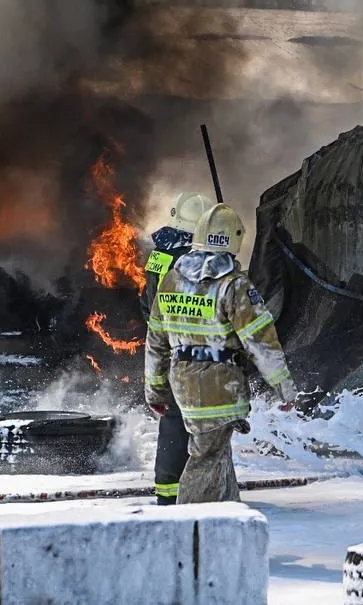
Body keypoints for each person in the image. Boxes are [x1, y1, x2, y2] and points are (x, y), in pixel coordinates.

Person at [144, 202, 298, 503]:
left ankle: (230, 517)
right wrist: (285, 389)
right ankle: (189, 524)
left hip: (182, 382)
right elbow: (261, 341)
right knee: (207, 456)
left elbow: (156, 342)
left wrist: (155, 391)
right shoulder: (234, 284)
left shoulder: (171, 280)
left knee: (216, 452)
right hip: (218, 386)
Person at [142, 190, 212, 506]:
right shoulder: (202, 261)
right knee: (205, 423)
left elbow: (148, 302)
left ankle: (169, 492)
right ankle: (200, 491)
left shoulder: (159, 255)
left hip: (166, 346)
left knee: (173, 421)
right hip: (199, 351)